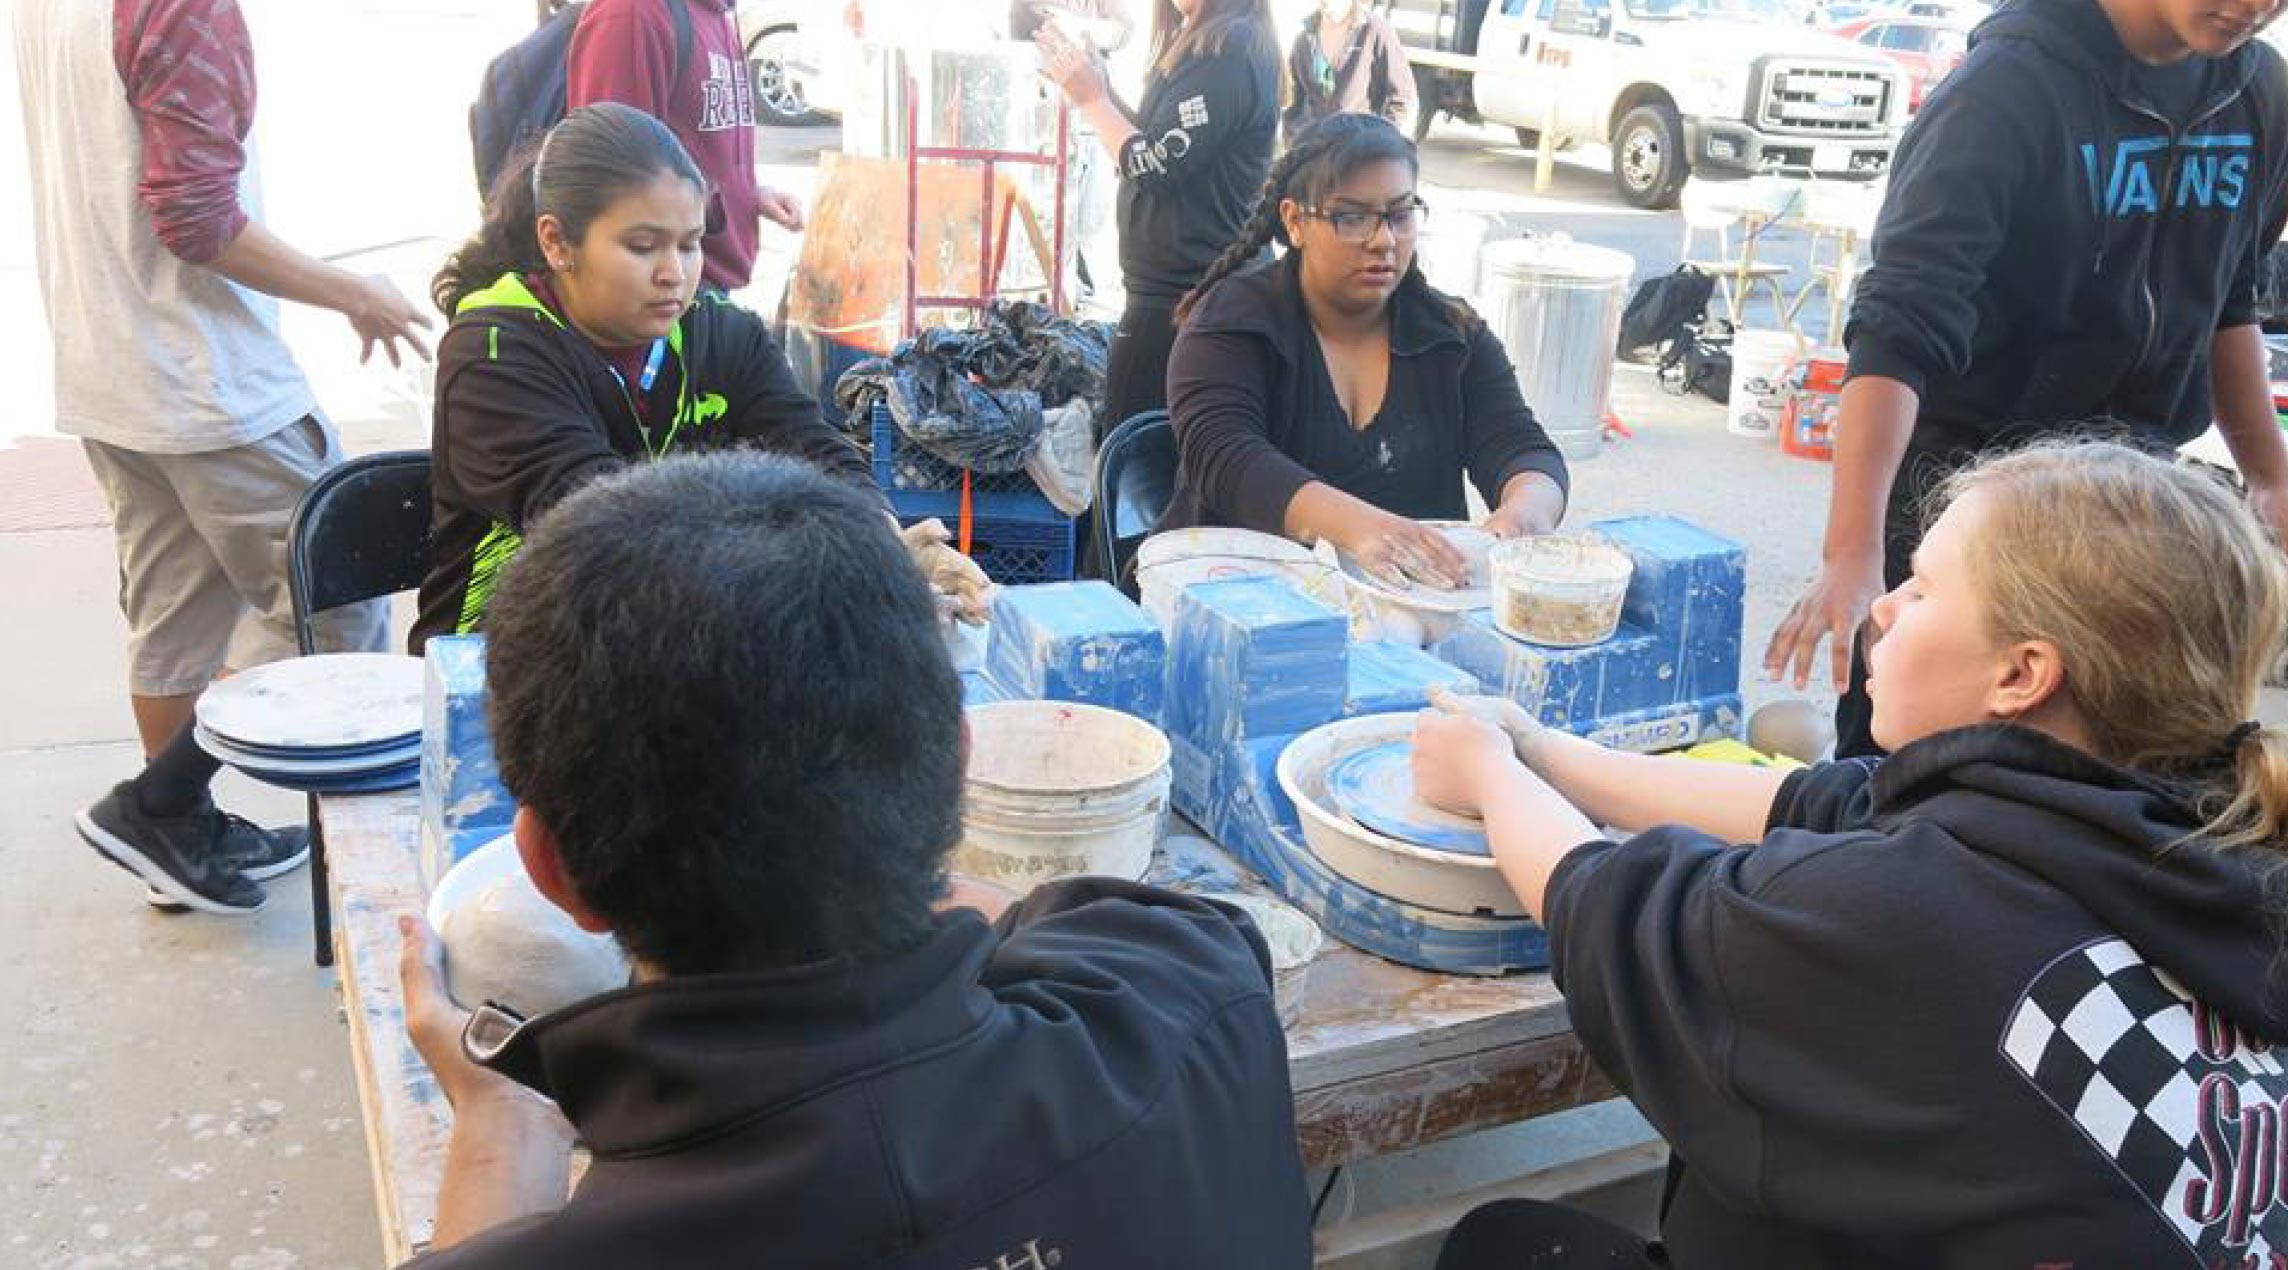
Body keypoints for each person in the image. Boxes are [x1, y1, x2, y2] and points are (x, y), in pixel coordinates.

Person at [391, 452, 1317, 1269]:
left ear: (550, 872)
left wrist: (502, 1120)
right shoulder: (1195, 999)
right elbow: (1092, 923)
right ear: (958, 767)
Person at [1415, 441, 2288, 1265]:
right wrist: (1540, 748)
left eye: (1921, 589)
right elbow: (1827, 799)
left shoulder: (1920, 918)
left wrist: (1490, 780)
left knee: (1502, 1245)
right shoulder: (2203, 839)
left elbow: (1621, 914)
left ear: (2021, 675)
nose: (1883, 605)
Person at [1763, 0, 2288, 758]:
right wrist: (1852, 554)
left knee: (2097, 774)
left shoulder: (2258, 93)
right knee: (1908, 771)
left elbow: (2230, 297)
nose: (2256, 6)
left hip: (2132, 504)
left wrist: (2267, 475)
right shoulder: (2004, 92)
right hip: (1970, 502)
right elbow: (1898, 328)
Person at [15, 0, 433, 915]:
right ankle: (160, 804)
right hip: (211, 385)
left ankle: (174, 836)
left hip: (109, 368)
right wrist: (351, 292)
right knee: (333, 613)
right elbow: (198, 217)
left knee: (176, 623)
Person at [416, 104, 988, 648]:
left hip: (671, 635)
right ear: (557, 242)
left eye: (690, 245)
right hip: (509, 654)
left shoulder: (721, 333)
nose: (674, 274)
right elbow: (597, 523)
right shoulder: (494, 354)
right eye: (643, 247)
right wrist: (818, 558)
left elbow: (810, 446)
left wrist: (881, 535)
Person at [1158, 114, 1568, 588]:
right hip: (1233, 595)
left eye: (1400, 214)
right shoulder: (1232, 324)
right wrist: (1365, 531)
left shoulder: (1454, 338)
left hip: (1408, 612)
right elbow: (1225, 457)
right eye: (1351, 218)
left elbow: (1523, 448)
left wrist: (1523, 517)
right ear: (1294, 221)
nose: (1383, 240)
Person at [1037, 0, 1282, 430]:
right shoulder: (1210, 38)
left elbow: (1157, 162)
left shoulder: (1228, 49)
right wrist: (1099, 89)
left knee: (1138, 467)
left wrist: (1093, 99)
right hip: (1184, 296)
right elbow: (1159, 142)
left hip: (1186, 300)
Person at [565, 0, 805, 294]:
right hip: (665, 291)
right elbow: (609, 178)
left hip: (702, 281)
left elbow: (699, 142)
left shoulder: (718, 13)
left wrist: (747, 195)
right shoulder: (635, 13)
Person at [1283, 0, 1417, 141]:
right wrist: (1294, 141)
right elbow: (1293, 102)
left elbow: (1402, 96)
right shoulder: (1304, 40)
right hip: (1314, 153)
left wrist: (1381, 143)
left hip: (1358, 153)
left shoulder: (1374, 31)